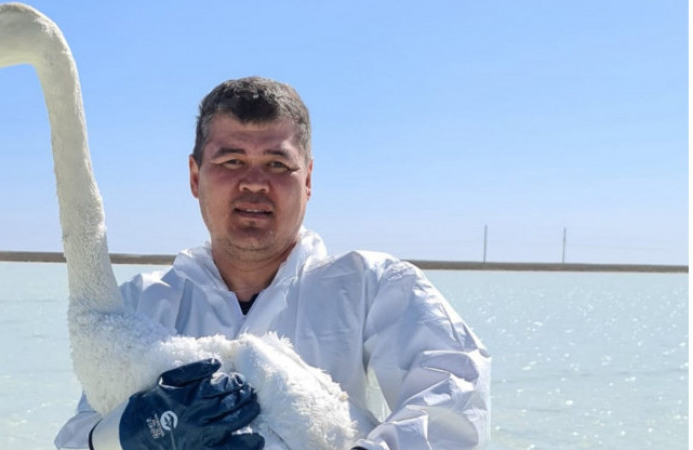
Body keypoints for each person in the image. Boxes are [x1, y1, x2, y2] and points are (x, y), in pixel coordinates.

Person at [55, 76, 491, 449]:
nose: (254, 183)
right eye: (232, 161)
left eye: (278, 164)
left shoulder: (372, 287)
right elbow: (78, 437)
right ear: (195, 177)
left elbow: (455, 400)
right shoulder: (142, 305)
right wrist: (129, 432)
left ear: (308, 180)